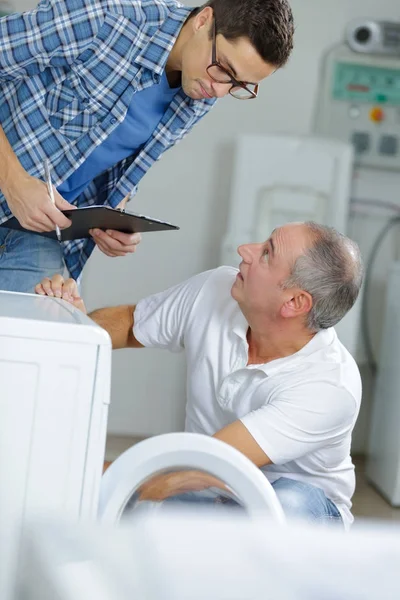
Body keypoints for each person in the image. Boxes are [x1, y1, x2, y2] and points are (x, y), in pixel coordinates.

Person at [35, 221, 363, 527]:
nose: (245, 250)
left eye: (266, 253)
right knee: (139, 508)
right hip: (205, 494)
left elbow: (207, 463)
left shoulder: (329, 386)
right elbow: (133, 325)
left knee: (288, 505)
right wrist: (72, 323)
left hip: (293, 512)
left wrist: (80, 475)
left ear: (295, 302)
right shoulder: (217, 289)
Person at [0, 0, 294, 292]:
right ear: (203, 20)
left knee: (31, 333)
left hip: (39, 229)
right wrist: (13, 181)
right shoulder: (106, 19)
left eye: (238, 85)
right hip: (11, 193)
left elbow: (115, 152)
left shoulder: (202, 88)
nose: (220, 90)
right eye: (224, 69)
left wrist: (115, 214)